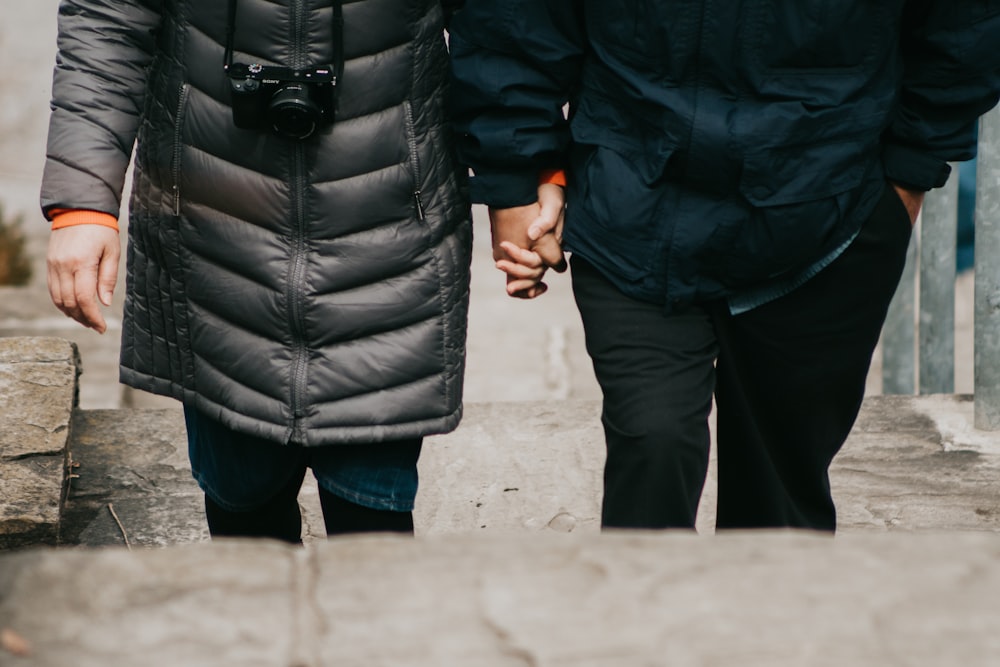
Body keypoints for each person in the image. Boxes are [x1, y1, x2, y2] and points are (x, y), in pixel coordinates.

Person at [449, 2, 1000, 531]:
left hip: (827, 211)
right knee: (652, 445)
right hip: (633, 198)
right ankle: (638, 622)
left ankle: (765, 627)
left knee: (780, 499)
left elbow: (962, 26)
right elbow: (514, 18)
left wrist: (907, 174)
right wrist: (522, 173)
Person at [42, 0, 472, 543]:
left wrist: (525, 181)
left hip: (388, 223)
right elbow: (107, 18)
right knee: (241, 509)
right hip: (211, 221)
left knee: (372, 521)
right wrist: (83, 203)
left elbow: (506, 30)